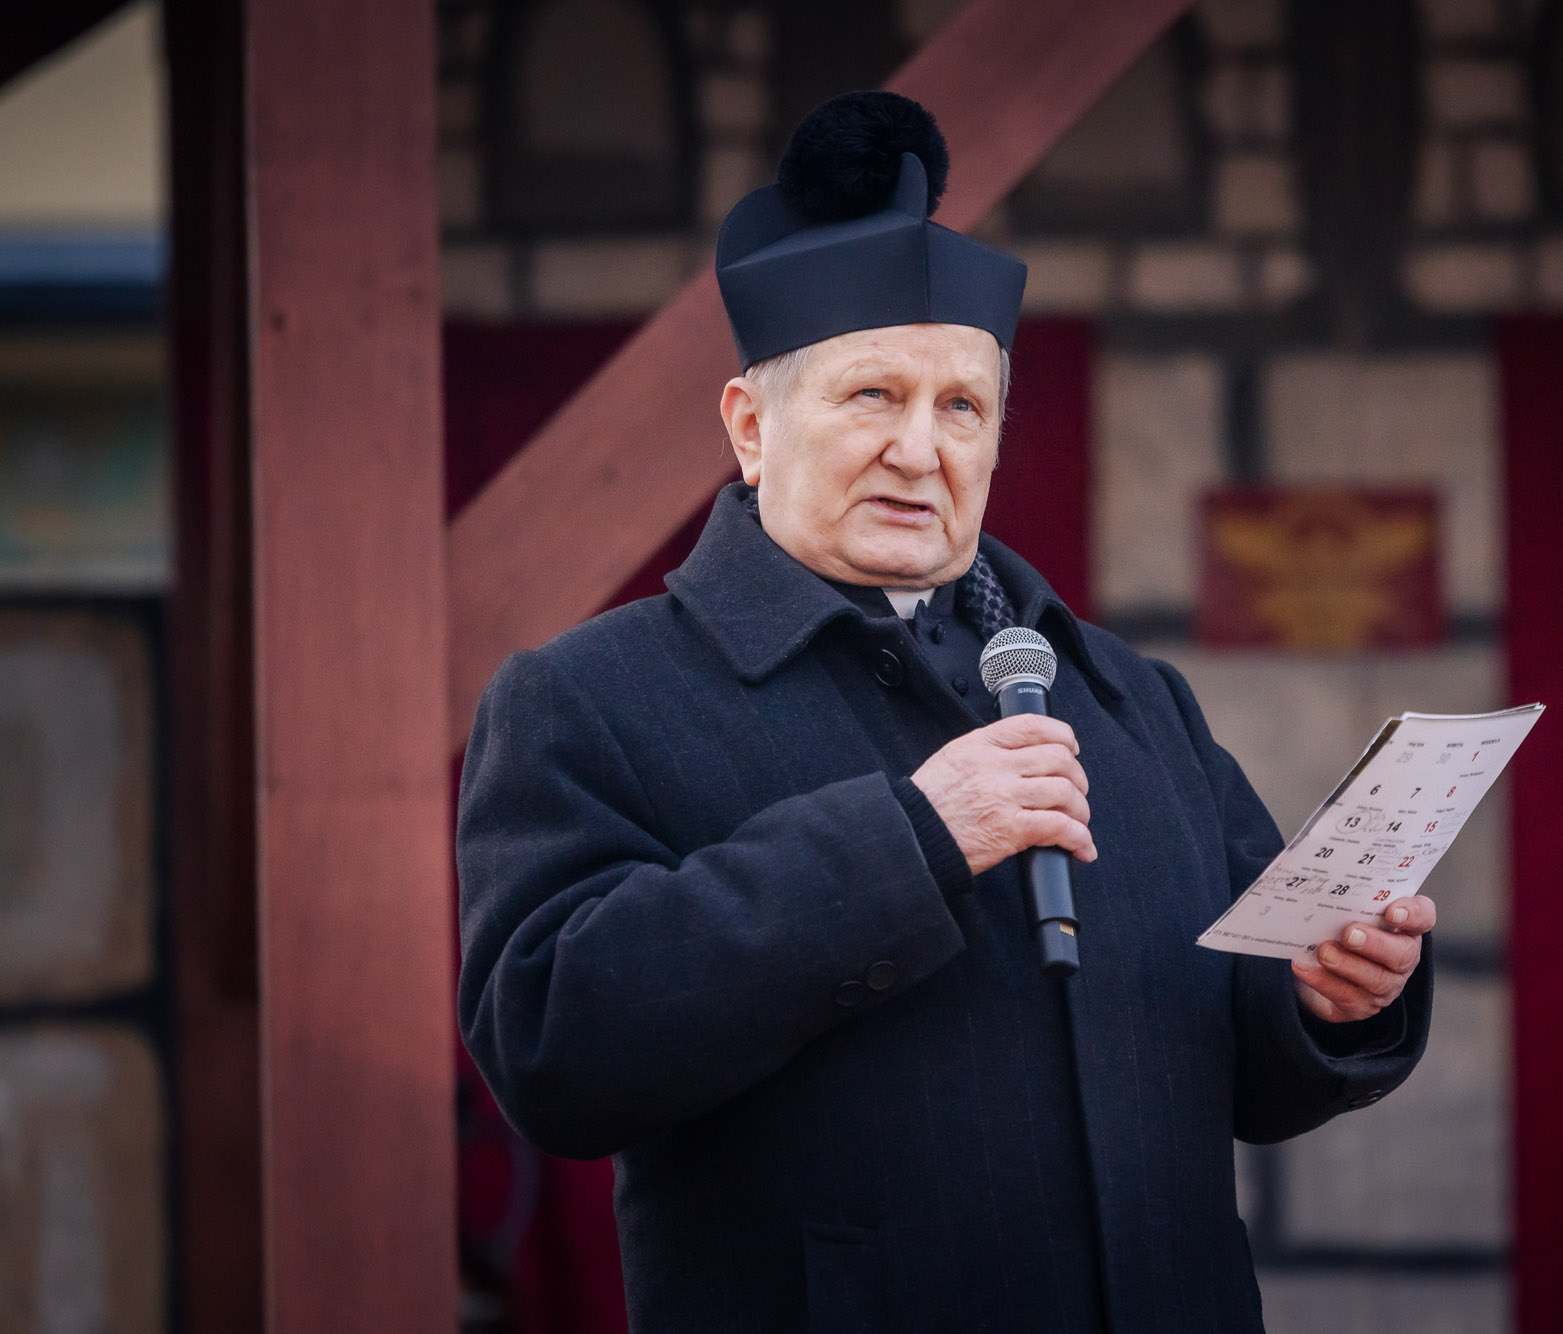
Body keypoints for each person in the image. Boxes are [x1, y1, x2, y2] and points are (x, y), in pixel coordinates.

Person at [456, 91, 1437, 1333]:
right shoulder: (592, 697)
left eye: (961, 406)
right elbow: (551, 1047)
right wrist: (911, 841)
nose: (920, 450)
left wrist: (1325, 996)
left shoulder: (1133, 699)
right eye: (872, 395)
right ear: (750, 426)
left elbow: (1235, 1057)